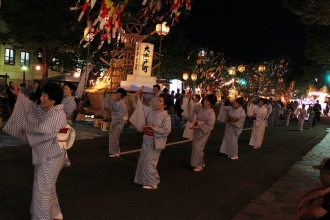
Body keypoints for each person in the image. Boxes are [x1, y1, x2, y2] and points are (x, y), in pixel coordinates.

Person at [3, 82, 67, 220]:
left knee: (42, 191)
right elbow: (32, 108)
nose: (41, 98)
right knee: (48, 187)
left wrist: (26, 129)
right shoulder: (50, 110)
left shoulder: (57, 115)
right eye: (42, 94)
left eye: (45, 95)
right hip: (50, 155)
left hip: (51, 157)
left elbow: (42, 132)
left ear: (53, 99)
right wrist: (19, 95)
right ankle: (55, 214)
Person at [130, 86, 171, 189]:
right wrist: (137, 96)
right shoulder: (151, 111)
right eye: (158, 100)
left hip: (155, 141)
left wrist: (154, 128)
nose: (157, 102)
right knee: (143, 159)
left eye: (160, 101)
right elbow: (141, 108)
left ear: (165, 105)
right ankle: (144, 180)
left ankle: (153, 182)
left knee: (150, 162)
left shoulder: (166, 116)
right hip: (147, 138)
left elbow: (166, 130)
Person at [186, 93, 217, 172]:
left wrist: (199, 127)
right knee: (196, 146)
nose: (205, 102)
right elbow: (192, 107)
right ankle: (200, 162)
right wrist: (190, 99)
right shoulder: (200, 107)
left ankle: (199, 165)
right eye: (205, 100)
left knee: (198, 147)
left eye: (208, 101)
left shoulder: (211, 113)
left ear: (211, 103)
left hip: (204, 131)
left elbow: (209, 125)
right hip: (197, 129)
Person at [102, 88, 128, 157]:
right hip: (114, 121)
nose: (116, 96)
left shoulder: (123, 105)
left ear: (121, 96)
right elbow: (107, 100)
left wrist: (110, 110)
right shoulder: (114, 101)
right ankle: (113, 151)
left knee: (115, 137)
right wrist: (105, 93)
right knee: (111, 136)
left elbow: (118, 114)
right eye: (116, 94)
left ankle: (116, 152)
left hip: (119, 122)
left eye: (118, 95)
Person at [61, 82, 77, 167]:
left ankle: (65, 161)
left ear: (71, 90)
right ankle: (65, 161)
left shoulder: (72, 102)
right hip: (62, 122)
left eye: (66, 89)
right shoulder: (64, 99)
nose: (64, 90)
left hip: (66, 123)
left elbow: (67, 114)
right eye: (64, 88)